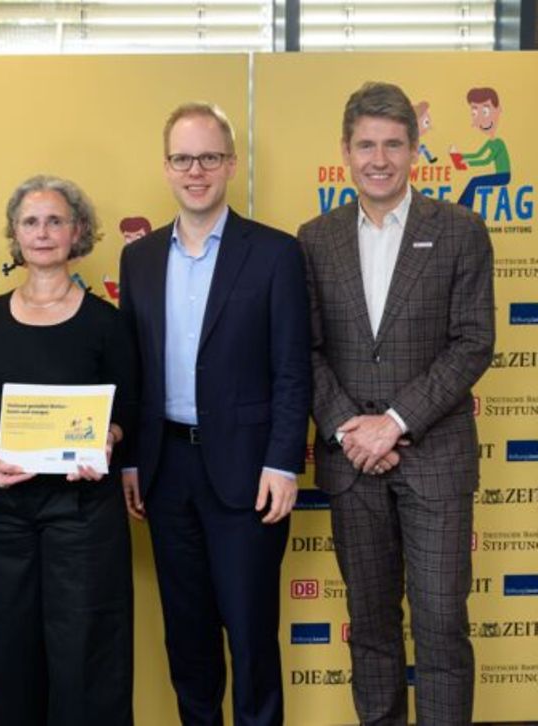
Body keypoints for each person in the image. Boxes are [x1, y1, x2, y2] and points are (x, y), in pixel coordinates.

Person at [298, 81, 494, 726]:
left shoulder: (461, 230)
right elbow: (306, 347)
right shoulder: (314, 238)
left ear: (414, 150)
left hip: (434, 459)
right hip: (352, 462)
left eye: (392, 144)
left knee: (441, 624)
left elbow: (473, 343)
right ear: (345, 152)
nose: (378, 158)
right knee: (373, 627)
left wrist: (395, 423)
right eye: (365, 145)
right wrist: (351, 429)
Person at [119, 102, 311, 725]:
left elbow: (291, 370)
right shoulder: (139, 258)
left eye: (207, 157)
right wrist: (130, 462)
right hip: (167, 470)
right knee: (188, 637)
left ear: (230, 163)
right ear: (166, 167)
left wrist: (284, 462)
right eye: (182, 158)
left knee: (252, 636)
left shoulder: (276, 253)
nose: (194, 170)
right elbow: (134, 371)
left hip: (249, 474)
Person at [0, 175, 135, 726]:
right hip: (6, 510)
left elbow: (128, 410)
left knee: (87, 654)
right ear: (15, 234)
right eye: (30, 222)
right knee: (10, 653)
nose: (43, 232)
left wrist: (107, 439)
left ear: (77, 231)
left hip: (82, 511)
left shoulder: (107, 321)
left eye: (55, 220)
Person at [451, 86, 510, 209]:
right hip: (499, 175)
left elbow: (486, 160)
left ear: (498, 110)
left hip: (504, 176)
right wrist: (460, 156)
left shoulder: (499, 143)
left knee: (474, 181)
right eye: (474, 113)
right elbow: (478, 154)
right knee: (474, 182)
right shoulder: (490, 142)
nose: (481, 119)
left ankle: (462, 209)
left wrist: (468, 162)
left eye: (485, 112)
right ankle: (462, 209)